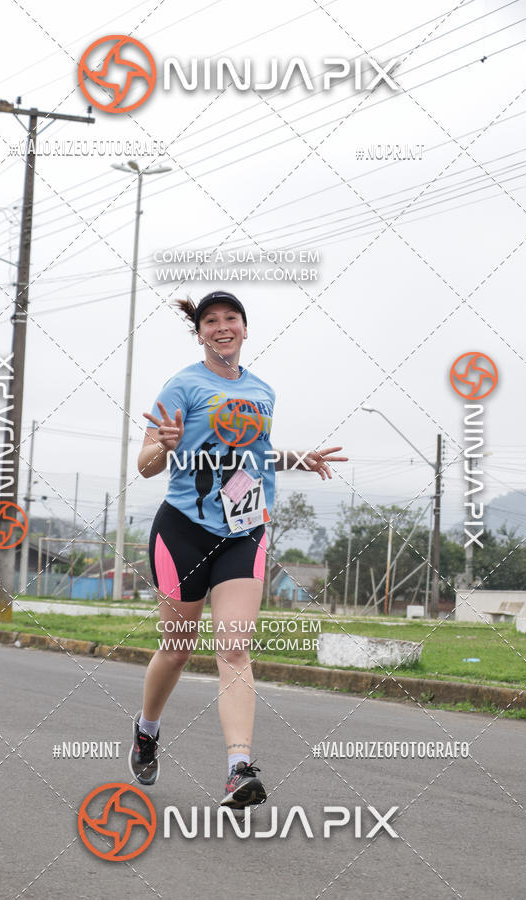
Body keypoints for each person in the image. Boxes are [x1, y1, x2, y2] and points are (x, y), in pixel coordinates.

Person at [129, 290, 347, 810]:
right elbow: (145, 464)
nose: (222, 326)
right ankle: (146, 730)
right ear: (200, 332)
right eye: (211, 320)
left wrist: (299, 458)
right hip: (182, 530)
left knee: (233, 648)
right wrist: (166, 442)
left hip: (244, 533)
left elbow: (252, 457)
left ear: (245, 329)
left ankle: (238, 769)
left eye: (231, 318)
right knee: (178, 649)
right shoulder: (181, 386)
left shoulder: (263, 392)